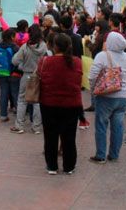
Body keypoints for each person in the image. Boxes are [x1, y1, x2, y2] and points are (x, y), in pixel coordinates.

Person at [37, 33, 82, 175]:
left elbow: (40, 77)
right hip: (71, 104)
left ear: (54, 47)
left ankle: (52, 166)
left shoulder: (45, 61)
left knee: (50, 136)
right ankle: (69, 166)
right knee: (69, 137)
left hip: (49, 103)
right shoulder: (77, 62)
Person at [88, 32, 126, 164]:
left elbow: (92, 76)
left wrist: (94, 89)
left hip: (105, 96)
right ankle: (114, 154)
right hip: (123, 95)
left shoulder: (102, 56)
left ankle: (101, 155)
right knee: (118, 126)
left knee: (101, 125)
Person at [11, 25, 47, 134]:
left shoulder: (25, 47)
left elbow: (14, 61)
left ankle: (19, 125)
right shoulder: (44, 46)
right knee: (37, 102)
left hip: (26, 75)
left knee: (22, 101)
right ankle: (36, 127)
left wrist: (22, 65)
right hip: (39, 76)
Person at [0, 29, 20, 122]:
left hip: (1, 73)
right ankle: (19, 116)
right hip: (13, 73)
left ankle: (3, 115)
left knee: (3, 93)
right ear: (12, 36)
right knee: (15, 94)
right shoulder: (15, 47)